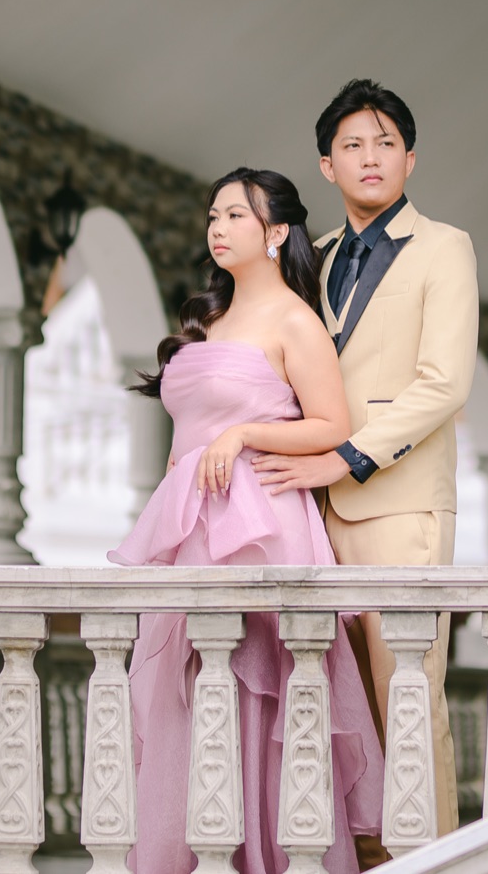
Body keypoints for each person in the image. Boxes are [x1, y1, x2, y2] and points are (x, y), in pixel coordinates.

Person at [109, 167, 384, 874]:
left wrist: (243, 436)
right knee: (191, 691)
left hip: (261, 522)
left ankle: (265, 856)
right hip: (194, 523)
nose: (218, 227)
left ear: (277, 232)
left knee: (260, 688)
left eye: (236, 215)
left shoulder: (296, 320)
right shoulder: (207, 320)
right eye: (213, 216)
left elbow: (333, 425)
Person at [252, 79, 478, 837]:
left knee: (407, 700)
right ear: (328, 165)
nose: (370, 156)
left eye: (386, 143)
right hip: (311, 513)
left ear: (410, 158)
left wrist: (347, 456)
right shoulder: (310, 257)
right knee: (333, 710)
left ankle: (427, 857)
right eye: (353, 145)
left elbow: (444, 383)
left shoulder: (445, 247)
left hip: (400, 507)